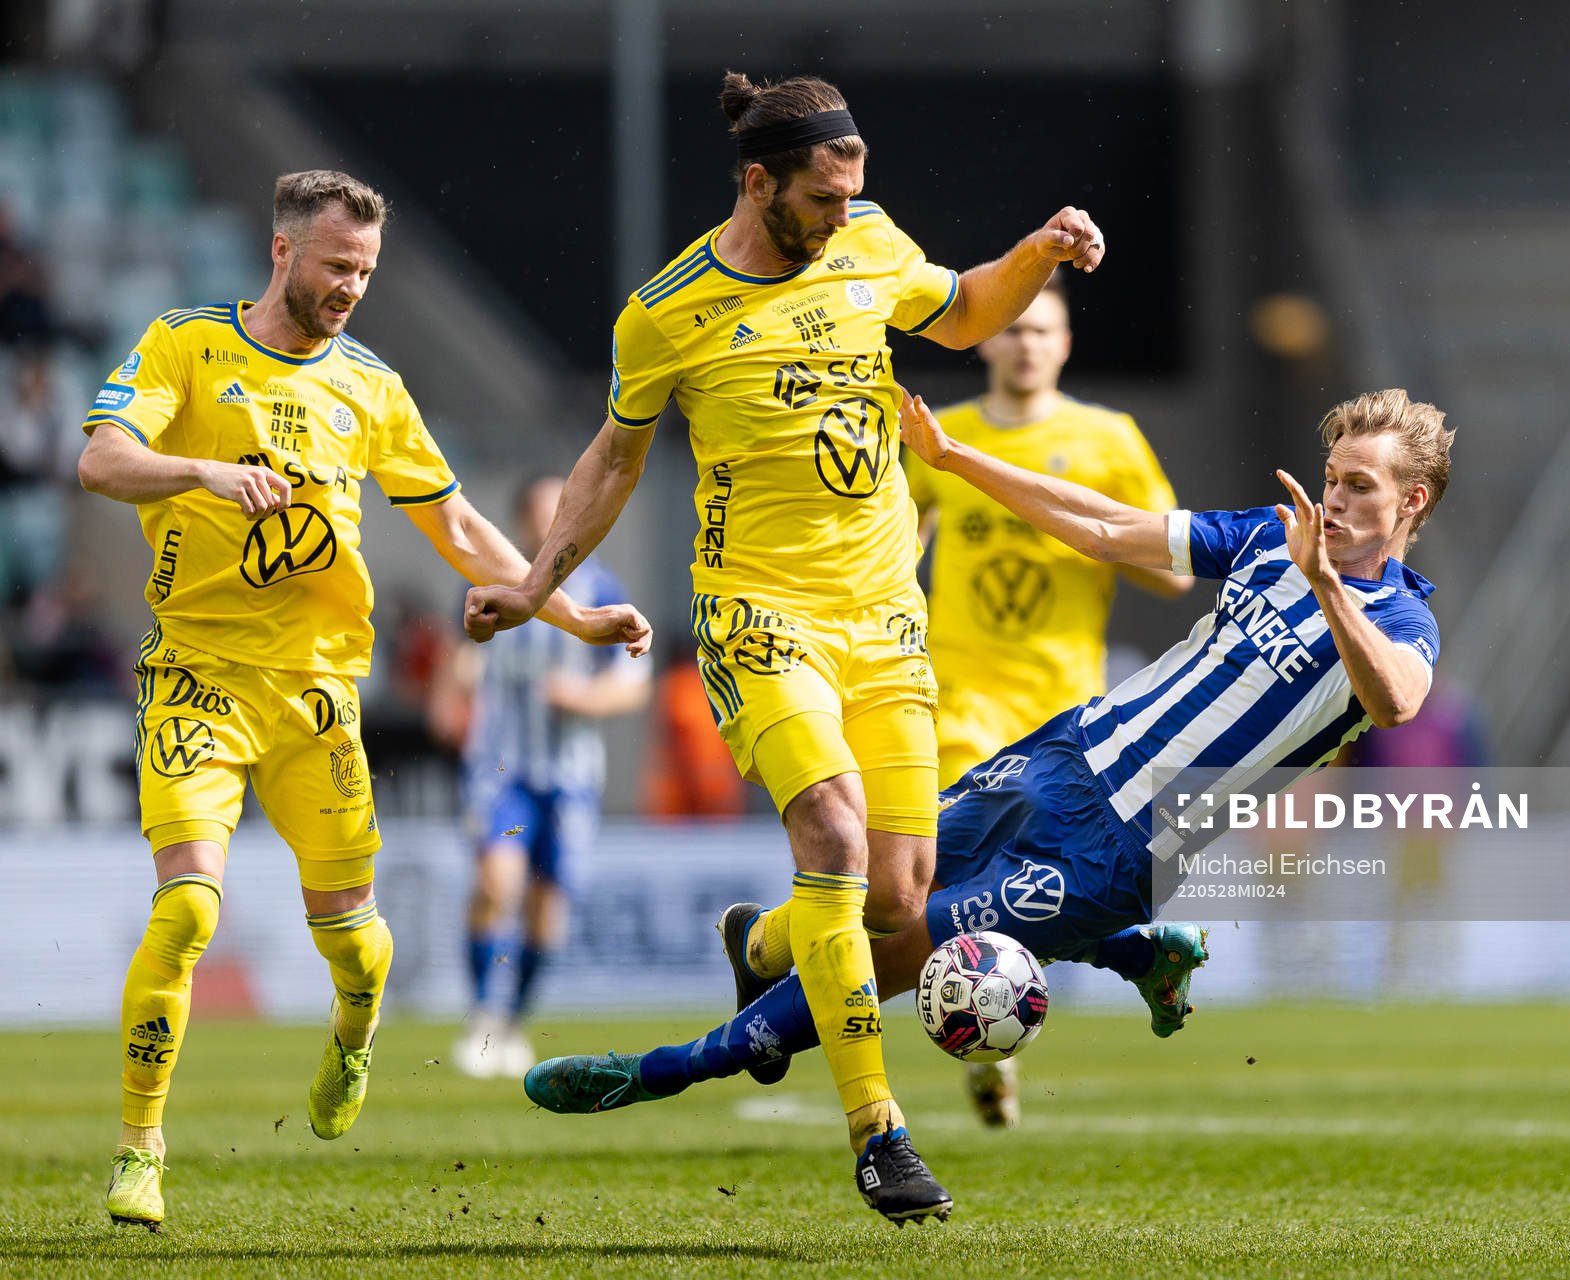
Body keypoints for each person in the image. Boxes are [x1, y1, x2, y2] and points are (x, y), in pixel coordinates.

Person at [462, 71, 1106, 1224]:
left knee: (902, 900)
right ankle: (878, 1134)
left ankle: (762, 945)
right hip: (759, 615)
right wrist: (535, 581)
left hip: (882, 618)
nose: (843, 210)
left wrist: (1038, 255)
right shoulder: (668, 309)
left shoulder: (865, 240)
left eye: (855, 187)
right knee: (836, 834)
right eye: (822, 193)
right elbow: (612, 459)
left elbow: (958, 310)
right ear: (759, 183)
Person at [522, 387, 1451, 1134]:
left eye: (1359, 486)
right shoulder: (1265, 538)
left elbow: (1394, 700)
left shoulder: (1404, 620)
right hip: (1060, 753)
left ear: (1411, 502)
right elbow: (1102, 526)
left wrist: (1331, 591)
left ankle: (660, 1072)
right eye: (1332, 478)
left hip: (1115, 856)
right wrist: (959, 462)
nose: (1333, 500)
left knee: (897, 948)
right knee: (877, 890)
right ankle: (772, 943)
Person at [76, 169, 650, 1232]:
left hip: (317, 698)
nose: (352, 287)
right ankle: (139, 1148)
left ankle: (353, 1028)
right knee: (189, 906)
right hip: (196, 678)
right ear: (284, 250)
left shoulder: (373, 385)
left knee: (355, 940)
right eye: (339, 265)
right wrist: (202, 471)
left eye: (368, 272)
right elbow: (103, 459)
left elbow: (461, 527)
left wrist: (564, 609)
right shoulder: (186, 342)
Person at [904, 272, 1190, 1126]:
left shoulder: (1108, 438)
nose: (1026, 343)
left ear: (1064, 344)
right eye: (1013, 329)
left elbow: (1173, 570)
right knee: (946, 873)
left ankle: (1001, 1035)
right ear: (988, 339)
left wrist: (1090, 533)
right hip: (961, 697)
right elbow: (893, 548)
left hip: (1067, 710)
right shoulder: (943, 438)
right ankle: (1002, 1027)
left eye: (1043, 331)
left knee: (1044, 888)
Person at [436, 475, 652, 1078]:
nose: (550, 522)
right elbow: (463, 656)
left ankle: (511, 1025)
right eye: (539, 513)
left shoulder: (604, 588)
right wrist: (450, 697)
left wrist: (584, 697)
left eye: (561, 509)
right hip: (502, 770)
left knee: (547, 912)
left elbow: (633, 684)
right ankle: (482, 1015)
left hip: (571, 778)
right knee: (495, 886)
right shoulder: (496, 581)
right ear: (522, 521)